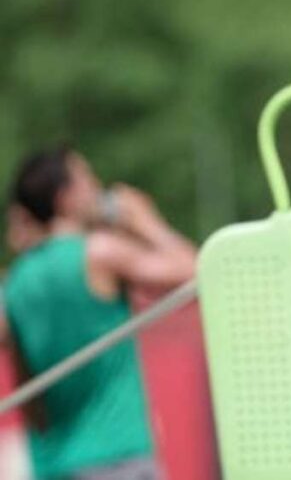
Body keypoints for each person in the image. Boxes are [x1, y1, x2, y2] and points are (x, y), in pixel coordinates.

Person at [3, 146, 195, 480]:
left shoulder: (16, 284)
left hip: (53, 465)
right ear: (65, 198)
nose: (97, 187)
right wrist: (146, 222)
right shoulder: (99, 253)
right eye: (87, 179)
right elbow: (194, 273)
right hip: (117, 456)